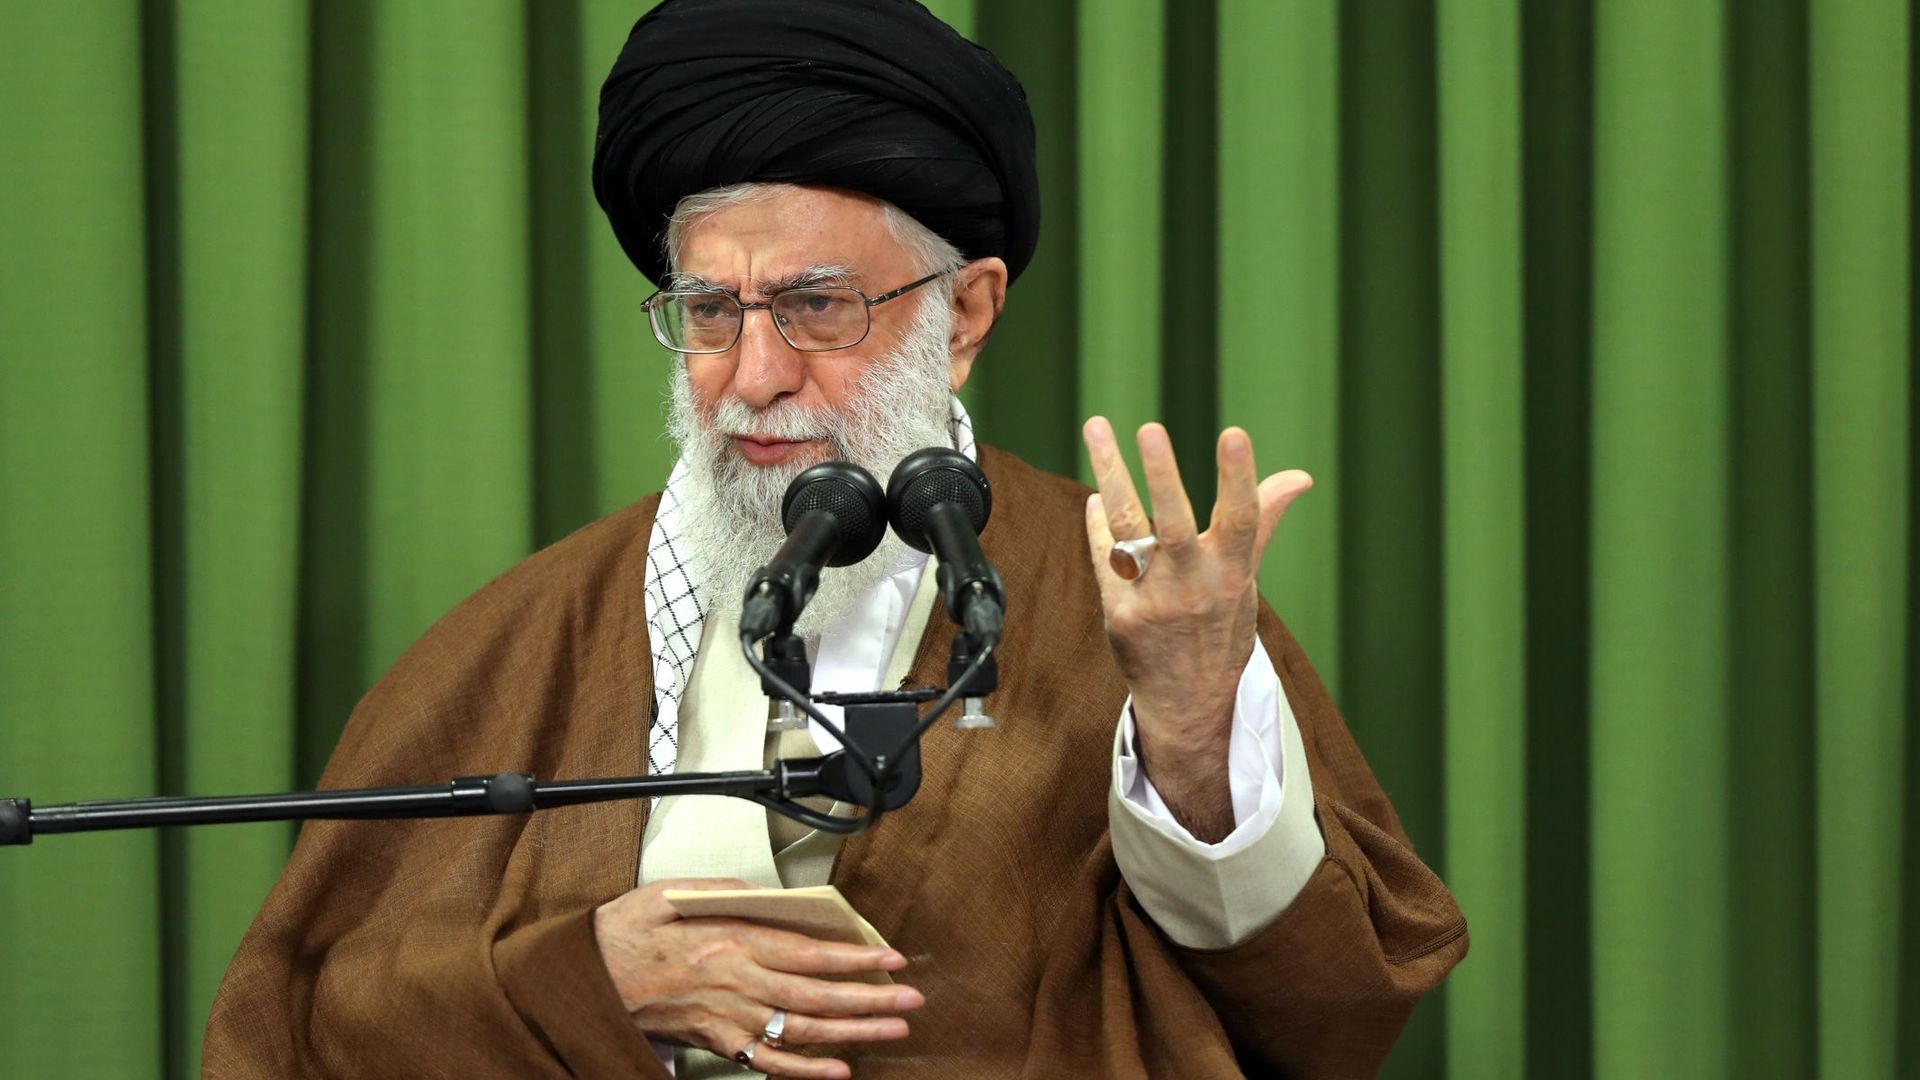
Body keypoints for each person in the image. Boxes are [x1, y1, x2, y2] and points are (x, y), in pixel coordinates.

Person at [204, 2, 1466, 1077]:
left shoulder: (1129, 611)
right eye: (711, 311)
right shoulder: (525, 637)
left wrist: (1194, 741)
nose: (753, 374)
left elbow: (1335, 1008)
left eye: (815, 305)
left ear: (964, 313)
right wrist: (590, 983)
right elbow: (305, 1017)